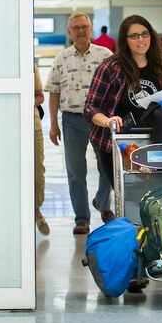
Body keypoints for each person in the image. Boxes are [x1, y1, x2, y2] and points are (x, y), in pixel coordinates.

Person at [84, 15, 162, 194]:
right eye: (134, 36)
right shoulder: (111, 67)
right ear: (125, 40)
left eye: (144, 34)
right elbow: (90, 107)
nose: (141, 40)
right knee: (128, 197)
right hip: (118, 144)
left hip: (154, 141)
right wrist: (109, 121)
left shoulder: (160, 67)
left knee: (154, 196)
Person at [46, 12, 114, 235]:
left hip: (101, 120)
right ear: (69, 32)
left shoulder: (106, 56)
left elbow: (117, 89)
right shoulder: (61, 59)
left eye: (85, 26)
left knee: (107, 167)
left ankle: (103, 204)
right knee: (76, 172)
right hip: (72, 120)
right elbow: (54, 92)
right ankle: (82, 219)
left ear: (91, 29)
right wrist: (54, 124)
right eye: (76, 27)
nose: (81, 30)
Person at [33, 63, 49, 236]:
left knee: (37, 171)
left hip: (32, 125)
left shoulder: (30, 65)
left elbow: (39, 96)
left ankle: (36, 210)